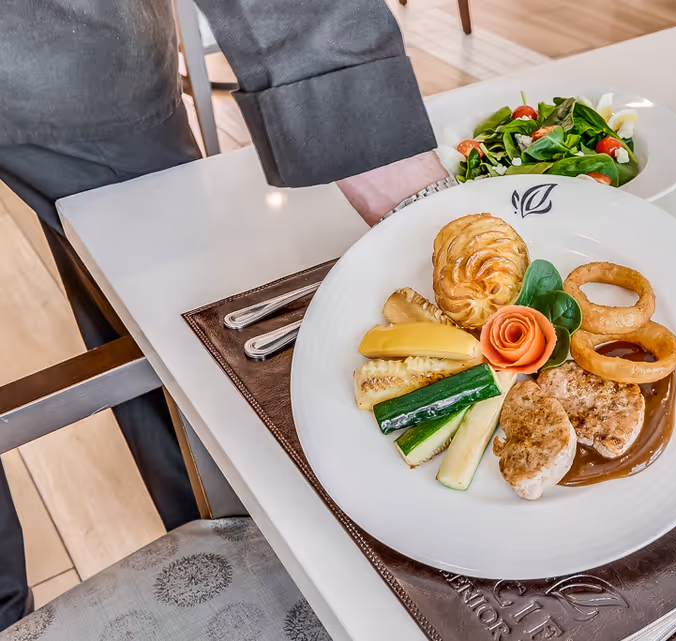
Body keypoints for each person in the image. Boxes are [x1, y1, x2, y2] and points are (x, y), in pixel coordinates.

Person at [0, 0, 448, 628]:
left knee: (172, 339)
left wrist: (371, 138)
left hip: (73, 54)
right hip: (73, 58)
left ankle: (234, 548)